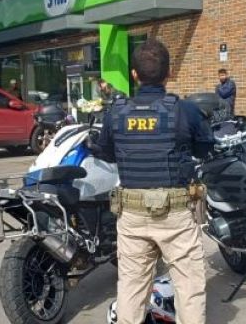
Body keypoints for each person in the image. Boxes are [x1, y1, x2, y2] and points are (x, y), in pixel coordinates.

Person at [94, 39, 214, 324]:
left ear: (134, 75)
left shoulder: (116, 113)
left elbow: (106, 152)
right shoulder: (184, 110)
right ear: (169, 73)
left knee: (132, 290)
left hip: (132, 215)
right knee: (189, 289)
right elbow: (206, 148)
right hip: (176, 215)